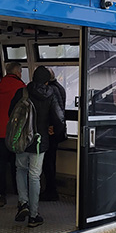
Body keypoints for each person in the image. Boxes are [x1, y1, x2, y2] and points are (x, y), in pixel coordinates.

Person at [10, 65, 65, 227]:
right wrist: (53, 129)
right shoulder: (51, 95)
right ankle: (34, 216)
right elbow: (59, 118)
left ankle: (23, 203)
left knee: (20, 170)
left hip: (22, 140)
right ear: (47, 82)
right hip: (40, 142)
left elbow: (11, 114)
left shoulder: (22, 92)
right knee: (34, 176)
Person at [0, 62, 25, 207]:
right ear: (18, 73)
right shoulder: (22, 89)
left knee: (0, 164)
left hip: (1, 134)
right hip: (17, 134)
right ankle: (19, 192)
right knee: (19, 165)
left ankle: (0, 195)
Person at [40, 68, 67, 201]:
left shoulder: (50, 90)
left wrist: (50, 126)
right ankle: (50, 189)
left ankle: (50, 190)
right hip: (57, 131)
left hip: (51, 132)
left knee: (48, 163)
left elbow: (54, 113)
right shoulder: (60, 88)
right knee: (51, 161)